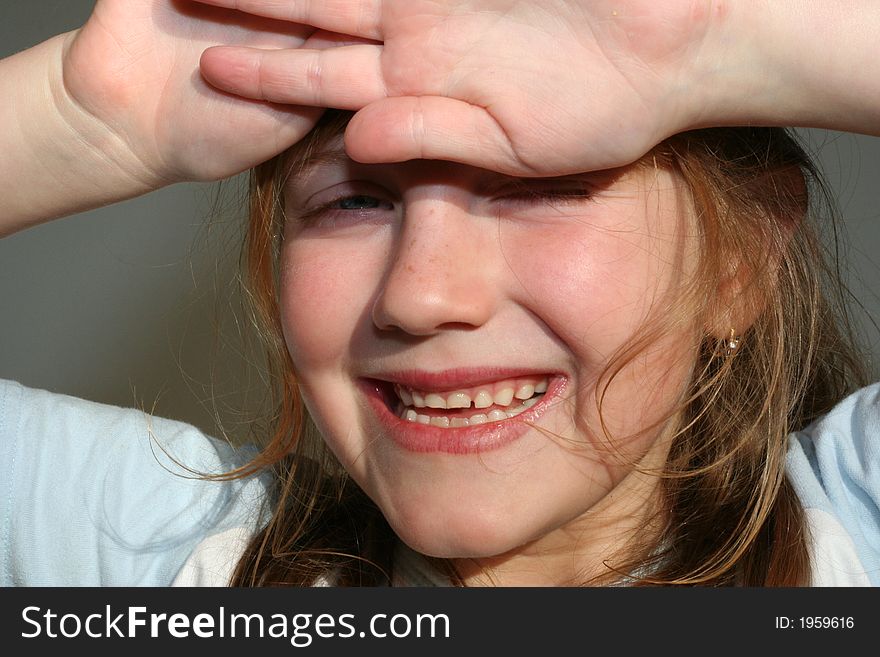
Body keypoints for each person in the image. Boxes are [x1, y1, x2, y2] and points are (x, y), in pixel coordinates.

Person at [2, 0, 879, 587]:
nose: (420, 297)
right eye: (352, 199)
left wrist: (711, 41)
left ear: (742, 263)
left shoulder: (855, 533)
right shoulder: (177, 562)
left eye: (539, 186)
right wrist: (83, 119)